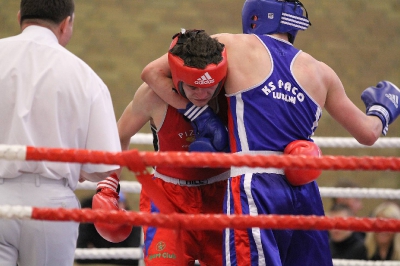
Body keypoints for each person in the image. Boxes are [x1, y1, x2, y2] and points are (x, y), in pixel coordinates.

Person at [141, 0, 400, 265]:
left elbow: (152, 72)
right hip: (305, 192)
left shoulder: (233, 45)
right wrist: (383, 108)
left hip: (255, 186)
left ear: (254, 16)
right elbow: (369, 134)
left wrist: (200, 114)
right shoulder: (322, 72)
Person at [0, 0, 121, 265]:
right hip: (51, 201)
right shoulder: (84, 76)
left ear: (20, 17)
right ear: (66, 24)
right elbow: (105, 165)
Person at [118, 29, 230, 265]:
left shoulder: (233, 94)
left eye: (209, 87)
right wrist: (109, 186)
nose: (202, 94)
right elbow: (118, 136)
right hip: (168, 199)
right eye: (193, 87)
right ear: (177, 79)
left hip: (223, 196)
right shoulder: (153, 96)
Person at [76, 191, 142, 266]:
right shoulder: (91, 222)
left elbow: (134, 259)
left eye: (118, 202)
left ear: (125, 204)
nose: (114, 207)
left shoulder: (132, 223)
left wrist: (96, 254)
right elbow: (80, 256)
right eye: (109, 203)